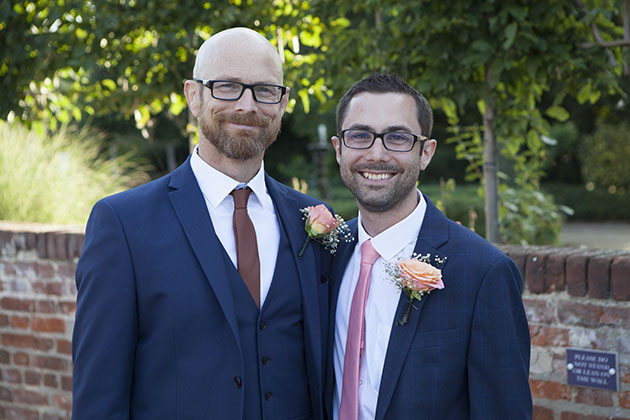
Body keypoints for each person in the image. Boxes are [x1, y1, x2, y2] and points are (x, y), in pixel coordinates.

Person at [72, 27, 331, 420]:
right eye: (227, 87)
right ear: (194, 96)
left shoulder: (312, 222)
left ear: (282, 103)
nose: (247, 105)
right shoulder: (123, 224)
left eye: (264, 90)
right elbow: (99, 398)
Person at [325, 73, 532, 420]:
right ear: (339, 148)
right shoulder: (324, 255)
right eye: (360, 136)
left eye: (397, 137)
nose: (377, 154)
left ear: (426, 153)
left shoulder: (483, 273)